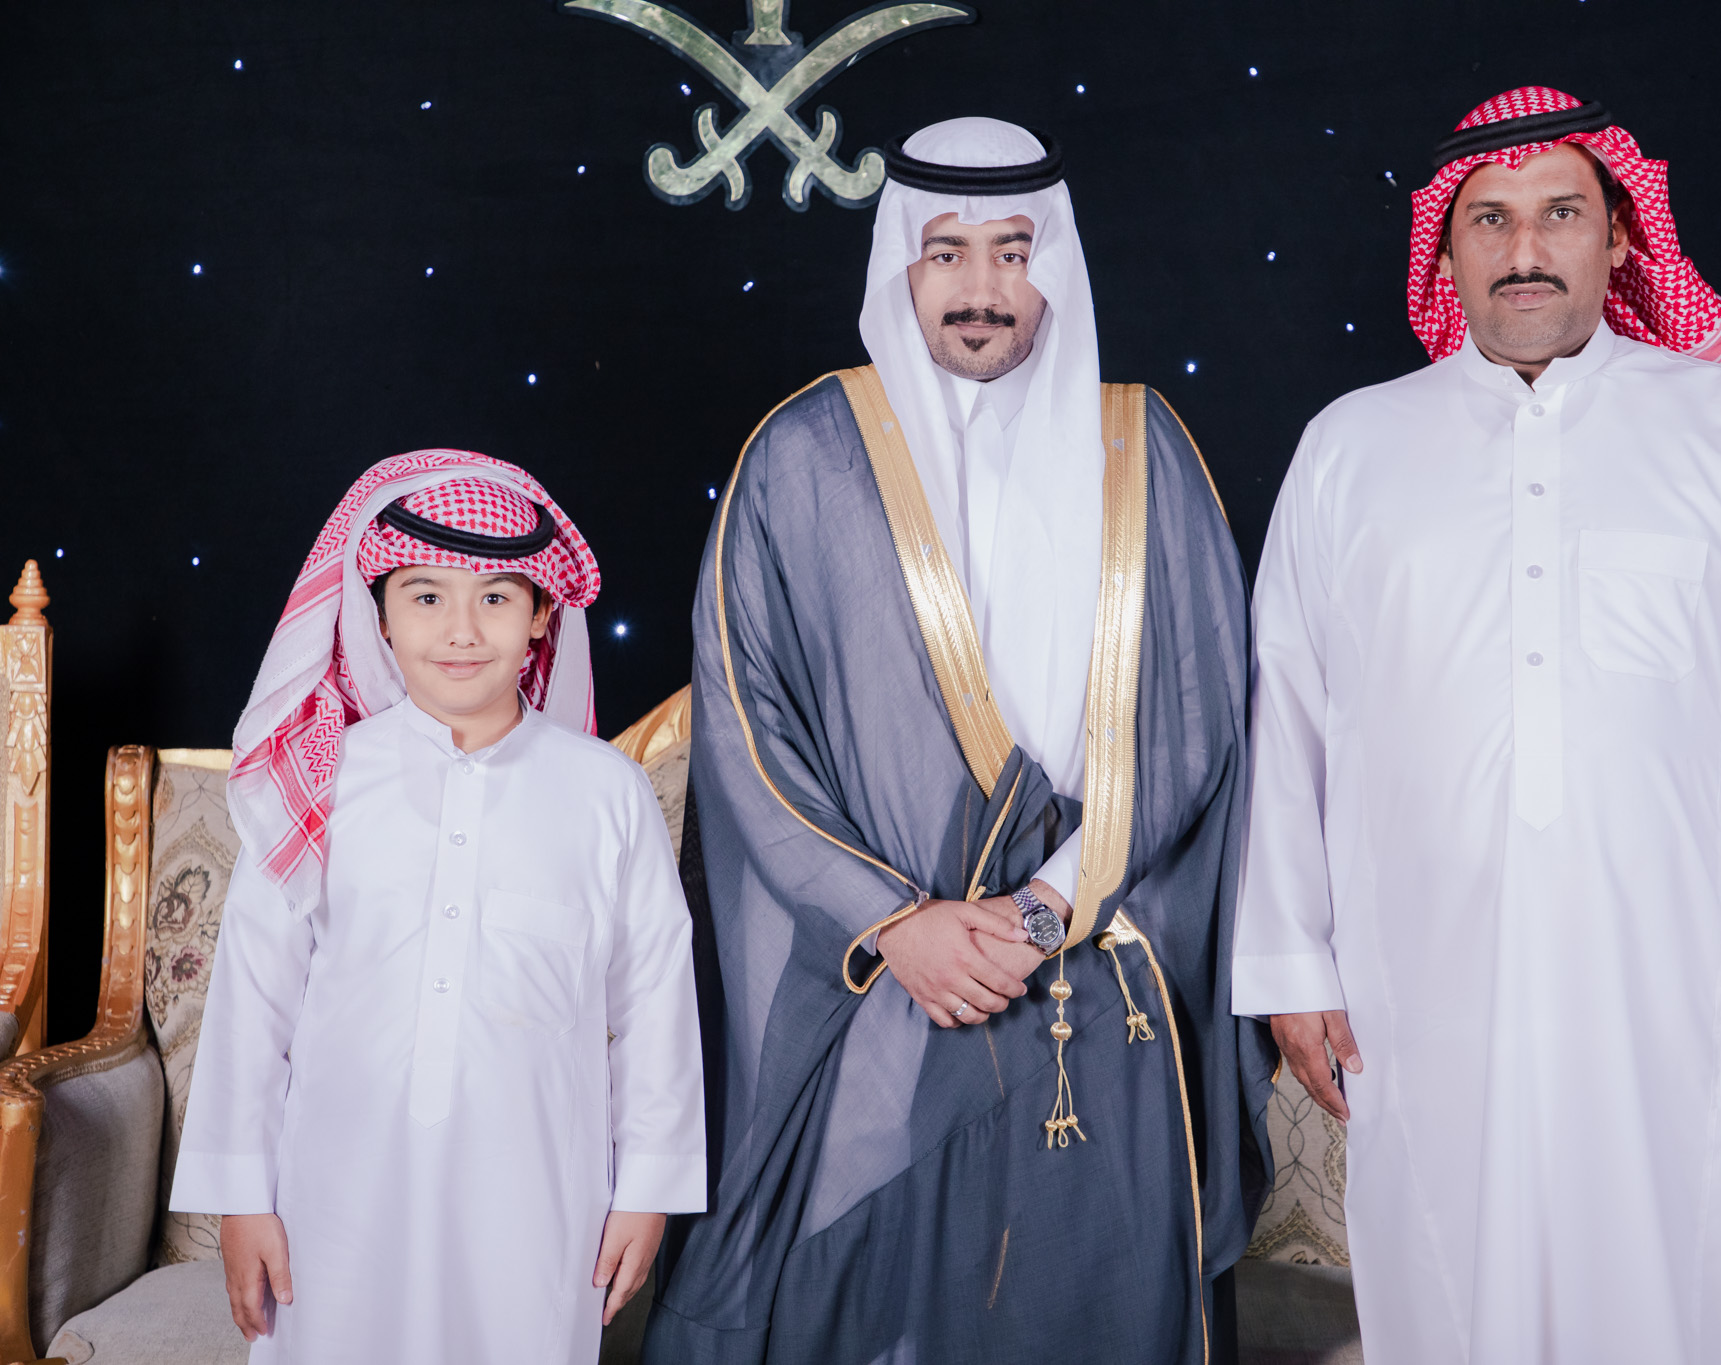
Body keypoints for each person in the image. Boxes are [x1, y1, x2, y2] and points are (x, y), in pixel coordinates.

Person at [1232, 87, 1721, 1363]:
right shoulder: (1349, 449)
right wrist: (1290, 965)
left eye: (1558, 215)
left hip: (1689, 984)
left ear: (1619, 239)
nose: (1522, 249)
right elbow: (1288, 719)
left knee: (1686, 1277)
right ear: (1445, 250)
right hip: (1422, 980)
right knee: (1451, 1278)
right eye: (1488, 219)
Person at [645, 118, 1273, 1365]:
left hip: (1090, 961)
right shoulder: (800, 456)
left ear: (1055, 268)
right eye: (946, 253)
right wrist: (898, 926)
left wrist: (1042, 910)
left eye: (1011, 253)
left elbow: (1195, 717)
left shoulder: (1143, 447)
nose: (979, 289)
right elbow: (748, 736)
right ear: (902, 265)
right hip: (878, 980)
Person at [170, 452, 706, 1364]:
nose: (461, 630)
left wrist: (648, 1189)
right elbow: (254, 998)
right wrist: (242, 1200)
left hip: (537, 1203)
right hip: (336, 1201)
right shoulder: (319, 783)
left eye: (495, 597)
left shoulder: (605, 792)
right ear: (378, 615)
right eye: (426, 597)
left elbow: (656, 1002)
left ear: (541, 616)